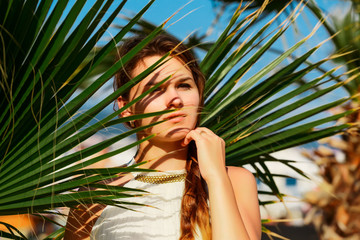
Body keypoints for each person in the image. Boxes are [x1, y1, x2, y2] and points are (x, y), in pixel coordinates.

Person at [64, 34, 261, 240]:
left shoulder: (234, 181)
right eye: (156, 89)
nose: (175, 99)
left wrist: (216, 177)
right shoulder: (95, 194)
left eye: (184, 85)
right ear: (126, 107)